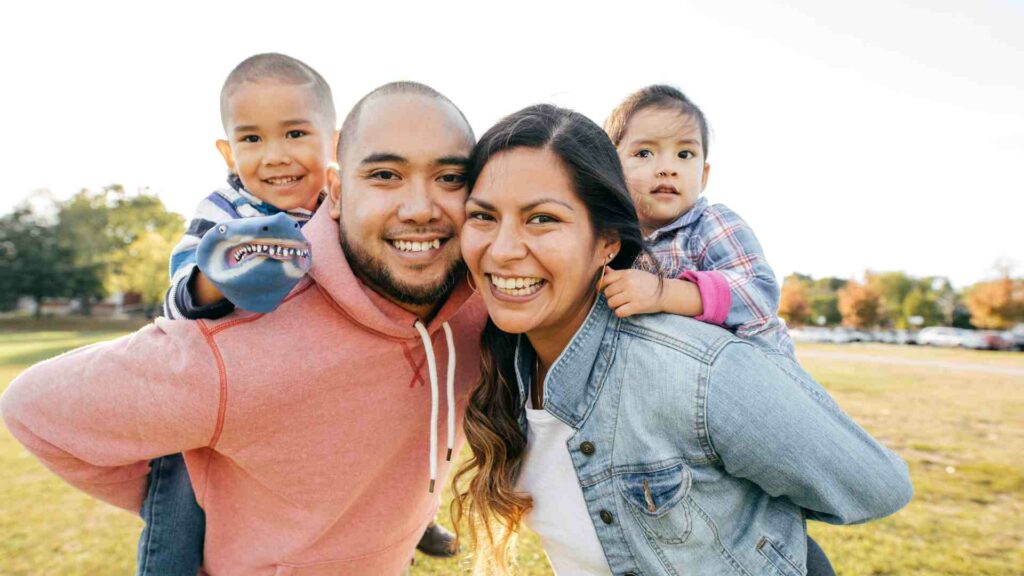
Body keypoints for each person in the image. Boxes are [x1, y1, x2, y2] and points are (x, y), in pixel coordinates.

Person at [1, 81, 484, 575]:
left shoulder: (477, 309)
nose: (421, 207)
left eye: (450, 177)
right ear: (336, 192)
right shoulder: (237, 342)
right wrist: (204, 501)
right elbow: (31, 407)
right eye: (385, 174)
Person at [452, 104, 913, 575]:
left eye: (542, 219)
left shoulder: (697, 372)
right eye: (484, 217)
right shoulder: (506, 364)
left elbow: (877, 486)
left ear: (607, 241)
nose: (504, 249)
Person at [141, 51, 338, 576]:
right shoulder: (226, 213)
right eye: (252, 139)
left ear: (335, 143)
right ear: (229, 152)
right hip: (200, 397)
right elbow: (177, 299)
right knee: (179, 513)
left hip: (291, 399)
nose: (274, 155)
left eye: (295, 134)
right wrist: (216, 277)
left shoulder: (341, 208)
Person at [600, 85, 795, 357]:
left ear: (703, 176)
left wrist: (663, 293)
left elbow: (758, 294)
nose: (668, 168)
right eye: (644, 153)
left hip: (757, 373)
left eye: (684, 154)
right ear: (610, 169)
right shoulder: (608, 241)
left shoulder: (711, 224)